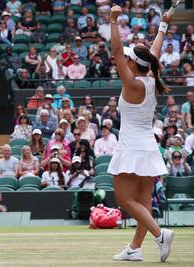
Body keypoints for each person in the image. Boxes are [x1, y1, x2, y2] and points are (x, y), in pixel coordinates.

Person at [108, 6, 174, 262]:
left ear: (133, 64)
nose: (123, 60)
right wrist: (164, 25)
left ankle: (160, 235)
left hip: (132, 148)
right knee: (143, 203)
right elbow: (155, 50)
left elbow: (115, 51)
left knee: (125, 199)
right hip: (147, 147)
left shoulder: (133, 83)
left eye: (128, 58)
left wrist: (113, 20)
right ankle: (135, 248)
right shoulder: (151, 75)